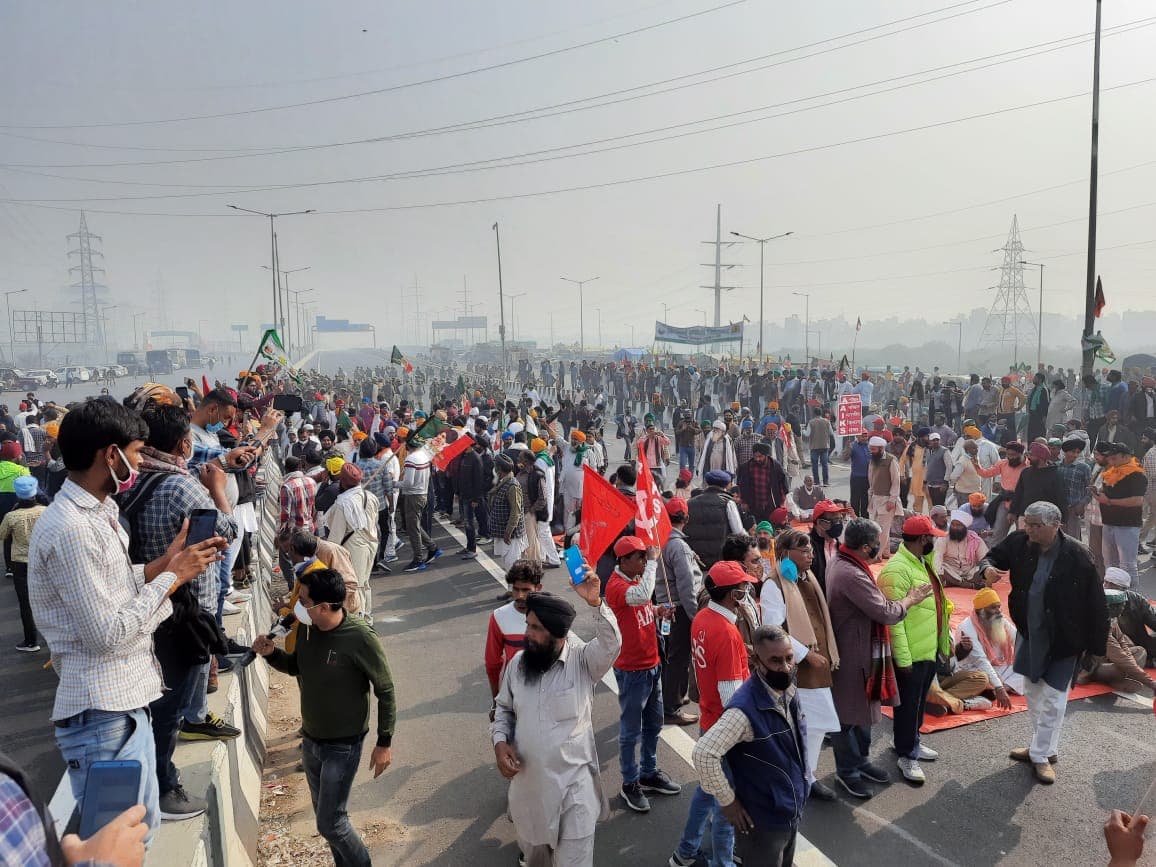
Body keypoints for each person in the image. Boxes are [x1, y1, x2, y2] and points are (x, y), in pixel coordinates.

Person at [27, 399, 225, 842]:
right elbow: (107, 634)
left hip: (122, 707)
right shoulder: (73, 530)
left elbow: (115, 583)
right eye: (136, 452)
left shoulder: (99, 513)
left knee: (139, 836)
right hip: (103, 716)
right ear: (111, 455)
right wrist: (174, 578)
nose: (140, 462)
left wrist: (165, 563)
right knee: (118, 848)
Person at [252, 567, 395, 867]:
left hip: (343, 746)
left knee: (331, 823)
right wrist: (271, 654)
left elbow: (385, 689)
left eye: (304, 601)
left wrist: (384, 742)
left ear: (325, 606)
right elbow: (296, 667)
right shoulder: (308, 629)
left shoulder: (359, 637)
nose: (297, 607)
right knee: (327, 818)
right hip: (311, 741)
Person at [491, 576, 622, 867]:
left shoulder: (583, 662)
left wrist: (595, 603)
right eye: (528, 625)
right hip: (530, 793)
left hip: (574, 794)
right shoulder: (518, 665)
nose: (528, 634)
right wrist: (499, 743)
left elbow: (611, 644)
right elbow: (503, 710)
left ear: (558, 634)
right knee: (536, 861)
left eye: (536, 628)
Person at [978, 500, 1108, 784]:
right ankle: (1045, 747)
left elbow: (1096, 604)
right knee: (1032, 691)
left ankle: (1039, 754)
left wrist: (1097, 648)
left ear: (1056, 525)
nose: (1030, 530)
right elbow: (991, 558)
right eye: (1027, 524)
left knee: (1054, 698)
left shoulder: (1077, 555)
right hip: (1029, 633)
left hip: (1065, 638)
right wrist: (986, 569)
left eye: (1037, 526)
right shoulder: (1019, 542)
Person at [826, 517, 932, 798]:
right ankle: (847, 771)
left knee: (862, 712)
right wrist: (910, 599)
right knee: (847, 717)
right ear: (864, 547)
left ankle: (860, 762)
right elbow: (885, 612)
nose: (880, 548)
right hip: (853, 654)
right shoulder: (851, 573)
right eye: (877, 544)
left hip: (863, 649)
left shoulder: (845, 562)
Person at [691, 625, 809, 867]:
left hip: (787, 810)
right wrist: (728, 802)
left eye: (789, 658)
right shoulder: (743, 711)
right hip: (763, 821)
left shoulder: (786, 688)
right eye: (775, 661)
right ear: (756, 662)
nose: (786, 667)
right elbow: (703, 754)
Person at [668, 560, 752, 867]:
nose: (747, 591)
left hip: (708, 720)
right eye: (743, 587)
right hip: (724, 731)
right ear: (732, 595)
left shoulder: (703, 617)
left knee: (706, 792)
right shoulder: (727, 633)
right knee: (726, 807)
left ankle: (685, 852)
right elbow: (732, 698)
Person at [759, 528, 840, 801]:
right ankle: (798, 777)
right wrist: (807, 654)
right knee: (804, 725)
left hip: (815, 667)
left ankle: (806, 775)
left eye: (811, 550)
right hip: (796, 668)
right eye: (804, 551)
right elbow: (773, 631)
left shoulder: (807, 576)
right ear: (785, 553)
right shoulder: (774, 584)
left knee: (815, 724)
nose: (810, 555)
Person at [604, 536, 681, 813]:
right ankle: (629, 782)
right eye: (639, 557)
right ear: (624, 560)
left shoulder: (635, 579)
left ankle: (648, 772)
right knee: (630, 731)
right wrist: (652, 564)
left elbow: (644, 605)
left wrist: (659, 611)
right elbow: (641, 596)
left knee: (654, 723)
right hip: (632, 670)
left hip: (651, 664)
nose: (644, 561)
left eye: (644, 556)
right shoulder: (616, 585)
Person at [877, 515, 951, 784]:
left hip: (926, 648)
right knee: (908, 707)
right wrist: (903, 658)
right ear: (922, 539)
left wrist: (943, 641)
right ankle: (907, 754)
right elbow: (893, 620)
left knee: (917, 705)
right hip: (911, 653)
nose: (934, 542)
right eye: (931, 537)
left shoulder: (921, 562)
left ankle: (912, 742)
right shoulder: (897, 570)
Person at [656, 498, 703, 727]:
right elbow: (687, 585)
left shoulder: (662, 540)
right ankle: (670, 708)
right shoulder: (678, 546)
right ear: (686, 518)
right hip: (679, 609)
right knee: (678, 658)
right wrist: (695, 615)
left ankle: (673, 696)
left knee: (672, 657)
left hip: (667, 606)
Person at [323, 463, 380, 617]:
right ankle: (366, 615)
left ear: (342, 482)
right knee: (364, 582)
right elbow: (374, 522)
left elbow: (335, 537)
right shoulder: (371, 497)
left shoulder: (343, 503)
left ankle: (359, 618)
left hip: (355, 546)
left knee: (355, 585)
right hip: (371, 543)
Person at [1077, 588, 1156, 695]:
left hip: (1107, 657)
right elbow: (1122, 659)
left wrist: (1130, 660)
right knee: (1125, 667)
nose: (1123, 608)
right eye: (1121, 605)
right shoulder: (1100, 628)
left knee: (1140, 652)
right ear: (1111, 607)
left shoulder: (1110, 618)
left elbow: (1121, 641)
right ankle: (1099, 677)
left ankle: (1114, 679)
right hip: (1091, 663)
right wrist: (1152, 684)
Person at [484, 560, 543, 698]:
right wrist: (496, 700)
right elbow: (492, 663)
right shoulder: (499, 616)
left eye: (526, 590)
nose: (520, 595)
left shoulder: (551, 614)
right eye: (516, 589)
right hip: (514, 693)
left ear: (538, 588)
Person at [1, 475, 45, 652]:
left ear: (18, 495)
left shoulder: (11, 516)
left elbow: (2, 534)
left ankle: (31, 641)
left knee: (25, 603)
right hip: (43, 560)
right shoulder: (46, 511)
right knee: (51, 599)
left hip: (21, 563)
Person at [955, 586, 1023, 698]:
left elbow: (1019, 641)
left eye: (999, 606)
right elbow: (980, 660)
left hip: (998, 666)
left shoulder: (1001, 621)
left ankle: (1003, 688)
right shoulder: (967, 627)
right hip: (974, 669)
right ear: (981, 611)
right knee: (983, 679)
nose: (998, 611)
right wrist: (998, 686)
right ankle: (997, 687)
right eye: (993, 608)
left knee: (1027, 667)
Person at [1096, 442, 1147, 583]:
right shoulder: (1111, 471)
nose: (1111, 461)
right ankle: (1110, 592)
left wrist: (1109, 501)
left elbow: (1137, 501)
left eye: (1114, 458)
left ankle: (1131, 594)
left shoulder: (1137, 474)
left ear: (1126, 456)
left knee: (1127, 565)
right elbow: (1108, 492)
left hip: (1127, 525)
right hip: (1108, 522)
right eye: (1109, 458)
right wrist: (1099, 494)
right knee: (1109, 563)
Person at [685, 469, 744, 569]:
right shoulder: (728, 503)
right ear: (726, 485)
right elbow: (738, 532)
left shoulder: (689, 503)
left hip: (695, 561)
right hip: (719, 561)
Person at [399, 432, 439, 572]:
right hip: (422, 494)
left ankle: (418, 559)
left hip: (413, 496)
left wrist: (394, 484)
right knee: (415, 525)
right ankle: (432, 547)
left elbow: (408, 483)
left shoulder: (411, 459)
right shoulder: (423, 456)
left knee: (413, 529)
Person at [1103, 567, 1156, 657]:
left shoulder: (1136, 599)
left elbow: (1153, 620)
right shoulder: (1096, 599)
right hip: (1109, 648)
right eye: (1106, 583)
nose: (1107, 586)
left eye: (1112, 585)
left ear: (1124, 589)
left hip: (1137, 643)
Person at [489, 453, 528, 572]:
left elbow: (515, 512)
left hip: (511, 535)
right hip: (503, 532)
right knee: (508, 565)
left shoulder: (512, 486)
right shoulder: (502, 482)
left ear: (499, 469)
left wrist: (508, 531)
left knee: (512, 567)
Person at [933, 509, 988, 589]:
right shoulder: (943, 538)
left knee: (985, 568)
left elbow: (985, 558)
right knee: (940, 567)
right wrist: (938, 573)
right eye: (953, 524)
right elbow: (937, 557)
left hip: (969, 574)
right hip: (951, 572)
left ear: (965, 527)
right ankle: (966, 584)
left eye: (958, 525)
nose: (954, 527)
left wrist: (987, 570)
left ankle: (958, 583)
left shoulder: (975, 539)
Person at [735, 442, 788, 525]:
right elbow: (742, 485)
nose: (757, 459)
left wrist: (782, 502)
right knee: (756, 527)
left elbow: (782, 485)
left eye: (760, 456)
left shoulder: (775, 466)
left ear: (766, 455)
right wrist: (744, 501)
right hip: (754, 505)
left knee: (771, 527)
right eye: (755, 456)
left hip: (771, 505)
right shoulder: (746, 467)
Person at [557, 430, 598, 532]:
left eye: (576, 439)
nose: (573, 441)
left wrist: (592, 488)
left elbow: (594, 471)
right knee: (567, 510)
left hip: (581, 489)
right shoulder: (567, 447)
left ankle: (579, 532)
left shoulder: (588, 452)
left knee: (580, 511)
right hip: (567, 487)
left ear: (581, 441)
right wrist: (545, 424)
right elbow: (556, 437)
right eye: (572, 438)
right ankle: (567, 532)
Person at [866, 436, 900, 551]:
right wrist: (870, 497)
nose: (871, 451)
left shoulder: (891, 460)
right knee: (877, 528)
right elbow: (871, 480)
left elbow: (896, 481)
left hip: (887, 500)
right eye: (870, 449)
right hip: (875, 499)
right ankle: (885, 553)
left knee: (882, 530)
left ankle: (877, 554)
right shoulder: (873, 460)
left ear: (881, 448)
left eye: (873, 449)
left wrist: (892, 500)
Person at [806, 407, 833, 485]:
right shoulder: (827, 421)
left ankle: (816, 481)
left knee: (815, 465)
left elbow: (807, 434)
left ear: (814, 413)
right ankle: (825, 482)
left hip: (814, 446)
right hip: (825, 445)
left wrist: (803, 431)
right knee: (825, 465)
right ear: (821, 413)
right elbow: (831, 433)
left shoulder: (811, 422)